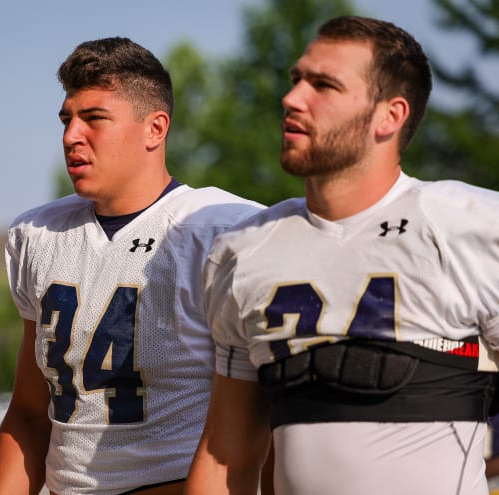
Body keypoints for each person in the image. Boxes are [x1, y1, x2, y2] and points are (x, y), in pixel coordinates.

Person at [185, 15, 499, 495]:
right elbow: (226, 453)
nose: (292, 99)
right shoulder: (241, 251)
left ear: (389, 116)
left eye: (324, 85)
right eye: (296, 80)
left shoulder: (470, 225)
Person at [0, 37, 264, 495]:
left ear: (155, 129)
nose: (71, 135)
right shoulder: (39, 235)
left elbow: (261, 418)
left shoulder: (218, 230)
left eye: (94, 118)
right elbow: (32, 413)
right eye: (67, 119)